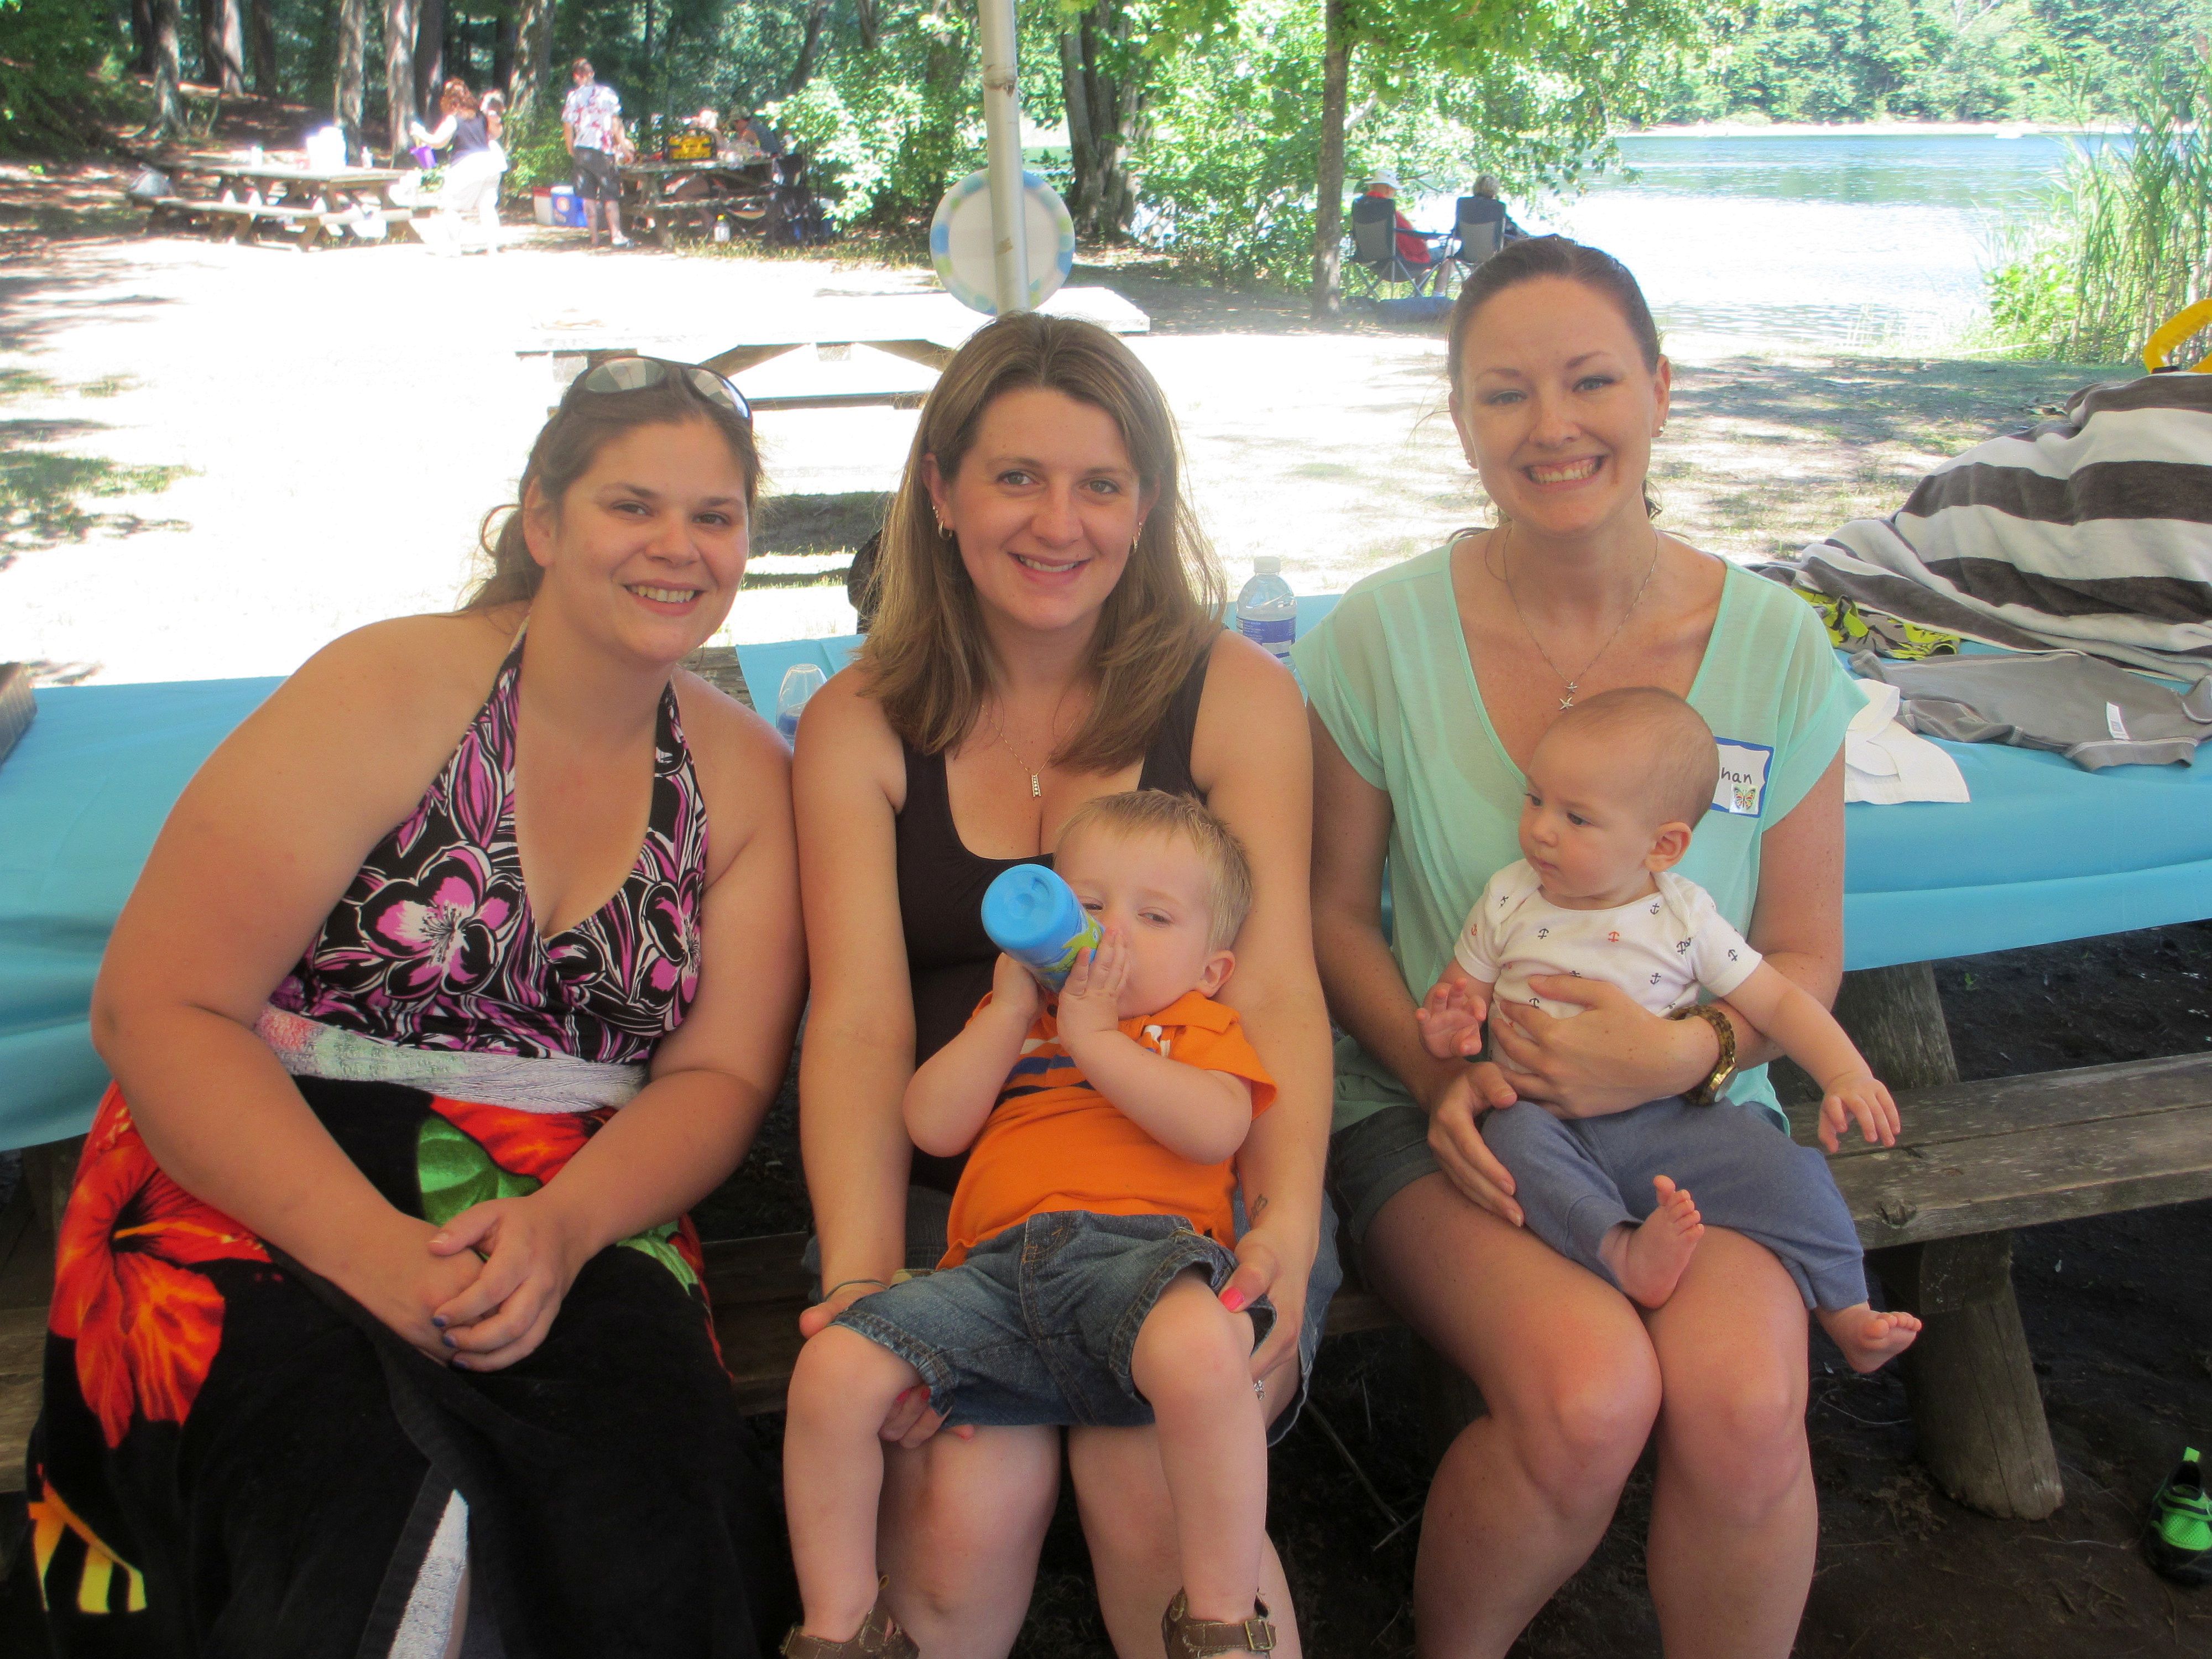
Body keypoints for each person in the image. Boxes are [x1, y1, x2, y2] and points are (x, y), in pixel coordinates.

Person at [27, 356, 802, 1657]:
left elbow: (716, 1078)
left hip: (574, 1189)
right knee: (341, 1479)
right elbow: (161, 1007)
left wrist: (566, 1227)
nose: (677, 546)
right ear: (542, 520)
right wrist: (369, 1251)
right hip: (271, 1144)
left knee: (653, 1491)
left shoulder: (740, 774)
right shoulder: (387, 691)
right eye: (631, 505)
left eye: (712, 517)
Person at [1300, 233, 1863, 1658]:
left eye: (1591, 380)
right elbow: (1329, 911)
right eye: (1504, 393)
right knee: (1588, 1393)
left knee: (1745, 1403)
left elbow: (1801, 945)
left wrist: (1687, 1053)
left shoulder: (1775, 647)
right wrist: (1437, 1077)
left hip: (1693, 1124)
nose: (1550, 425)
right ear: (1460, 420)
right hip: (1446, 1116)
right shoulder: (1376, 638)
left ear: (1659, 389)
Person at [793, 310, 1338, 1658]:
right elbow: (857, 1019)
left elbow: (1276, 987)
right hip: (959, 1209)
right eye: (1015, 478)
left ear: (1145, 504)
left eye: (1099, 483)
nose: (1058, 522)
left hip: (1186, 1195)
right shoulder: (863, 718)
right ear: (940, 492)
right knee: (960, 1502)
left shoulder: (1232, 697)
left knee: (1155, 1478)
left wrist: (1284, 1228)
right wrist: (862, 1267)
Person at [785, 791, 1281, 1659]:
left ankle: (1220, 1616)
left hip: (1140, 1264)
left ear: (1212, 968)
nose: (1109, 932)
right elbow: (932, 1124)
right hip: (991, 1276)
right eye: (1087, 905)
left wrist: (1100, 1042)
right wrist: (1012, 1012)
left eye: (1154, 916)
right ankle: (842, 1623)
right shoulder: (1017, 1025)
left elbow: (1218, 1130)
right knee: (831, 1370)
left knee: (1208, 1353)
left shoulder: (1196, 1027)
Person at [1416, 686, 1922, 1366]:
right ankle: (1620, 1249)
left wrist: (1845, 1074)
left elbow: (1779, 1002)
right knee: (1509, 1148)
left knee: (1790, 1171)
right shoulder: (1508, 897)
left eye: (1576, 817)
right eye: (1535, 800)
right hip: (1542, 1117)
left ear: (1662, 845)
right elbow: (1461, 996)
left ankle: (1847, 1309)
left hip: (1672, 1114)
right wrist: (1449, 1029)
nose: (1540, 829)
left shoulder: (1685, 918)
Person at [409, 77, 505, 254]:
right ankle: (492, 249)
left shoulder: (454, 119)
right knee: (487, 208)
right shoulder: (480, 116)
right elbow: (497, 133)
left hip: (467, 165)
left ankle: (455, 247)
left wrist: (420, 133)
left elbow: (438, 142)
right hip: (490, 163)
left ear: (449, 100)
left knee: (451, 206)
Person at [562, 56, 630, 248]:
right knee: (610, 195)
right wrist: (624, 147)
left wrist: (570, 147)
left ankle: (594, 239)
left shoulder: (573, 97)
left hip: (582, 150)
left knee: (588, 197)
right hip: (603, 149)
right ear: (592, 73)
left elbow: (568, 126)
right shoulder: (607, 94)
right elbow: (616, 124)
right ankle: (616, 236)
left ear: (576, 76)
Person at [1360, 171, 1448, 295]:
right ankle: (1437, 296)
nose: (1394, 193)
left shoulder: (1362, 208)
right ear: (1388, 189)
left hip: (1375, 265)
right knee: (1448, 252)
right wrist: (1424, 243)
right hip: (1399, 266)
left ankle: (1419, 298)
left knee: (1425, 259)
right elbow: (1413, 241)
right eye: (1394, 190)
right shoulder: (1390, 212)